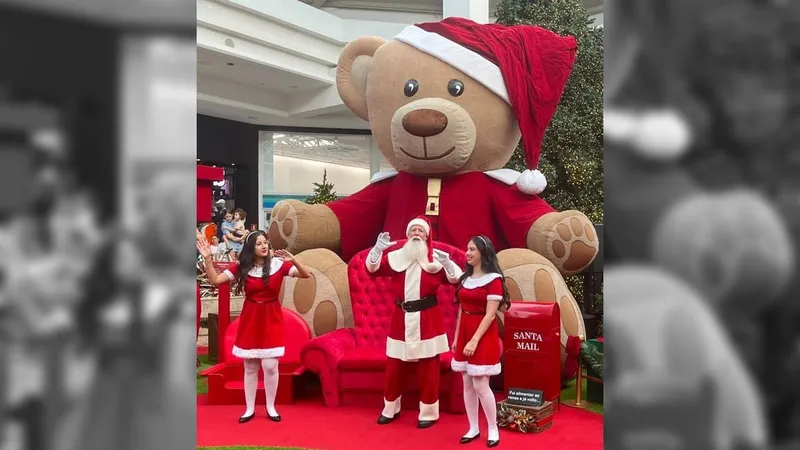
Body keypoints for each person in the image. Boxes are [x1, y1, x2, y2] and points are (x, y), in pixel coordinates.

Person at [197, 230, 310, 423]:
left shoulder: (278, 265)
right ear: (251, 248)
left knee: (270, 365)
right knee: (250, 367)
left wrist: (294, 260)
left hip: (271, 317)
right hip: (251, 317)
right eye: (259, 244)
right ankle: (249, 409)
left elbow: (306, 275)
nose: (264, 246)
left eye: (265, 242)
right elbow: (215, 280)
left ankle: (271, 407)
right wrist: (207, 258)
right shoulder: (242, 266)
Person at [366, 216, 462, 428]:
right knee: (394, 368)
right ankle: (390, 408)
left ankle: (428, 412)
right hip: (400, 319)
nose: (416, 234)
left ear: (426, 236)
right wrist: (377, 250)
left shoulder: (435, 260)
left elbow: (457, 279)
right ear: (407, 235)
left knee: (428, 369)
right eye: (413, 230)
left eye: (420, 231)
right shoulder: (396, 257)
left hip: (428, 319)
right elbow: (372, 269)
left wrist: (448, 263)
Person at [451, 235, 509, 447]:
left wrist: (474, 340)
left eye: (472, 249)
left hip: (482, 334)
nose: (467, 253)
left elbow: (490, 315)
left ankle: (492, 427)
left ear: (483, 253)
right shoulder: (465, 280)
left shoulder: (494, 280)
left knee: (480, 383)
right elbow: (460, 311)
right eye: (467, 249)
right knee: (466, 381)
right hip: (465, 331)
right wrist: (457, 338)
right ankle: (473, 426)